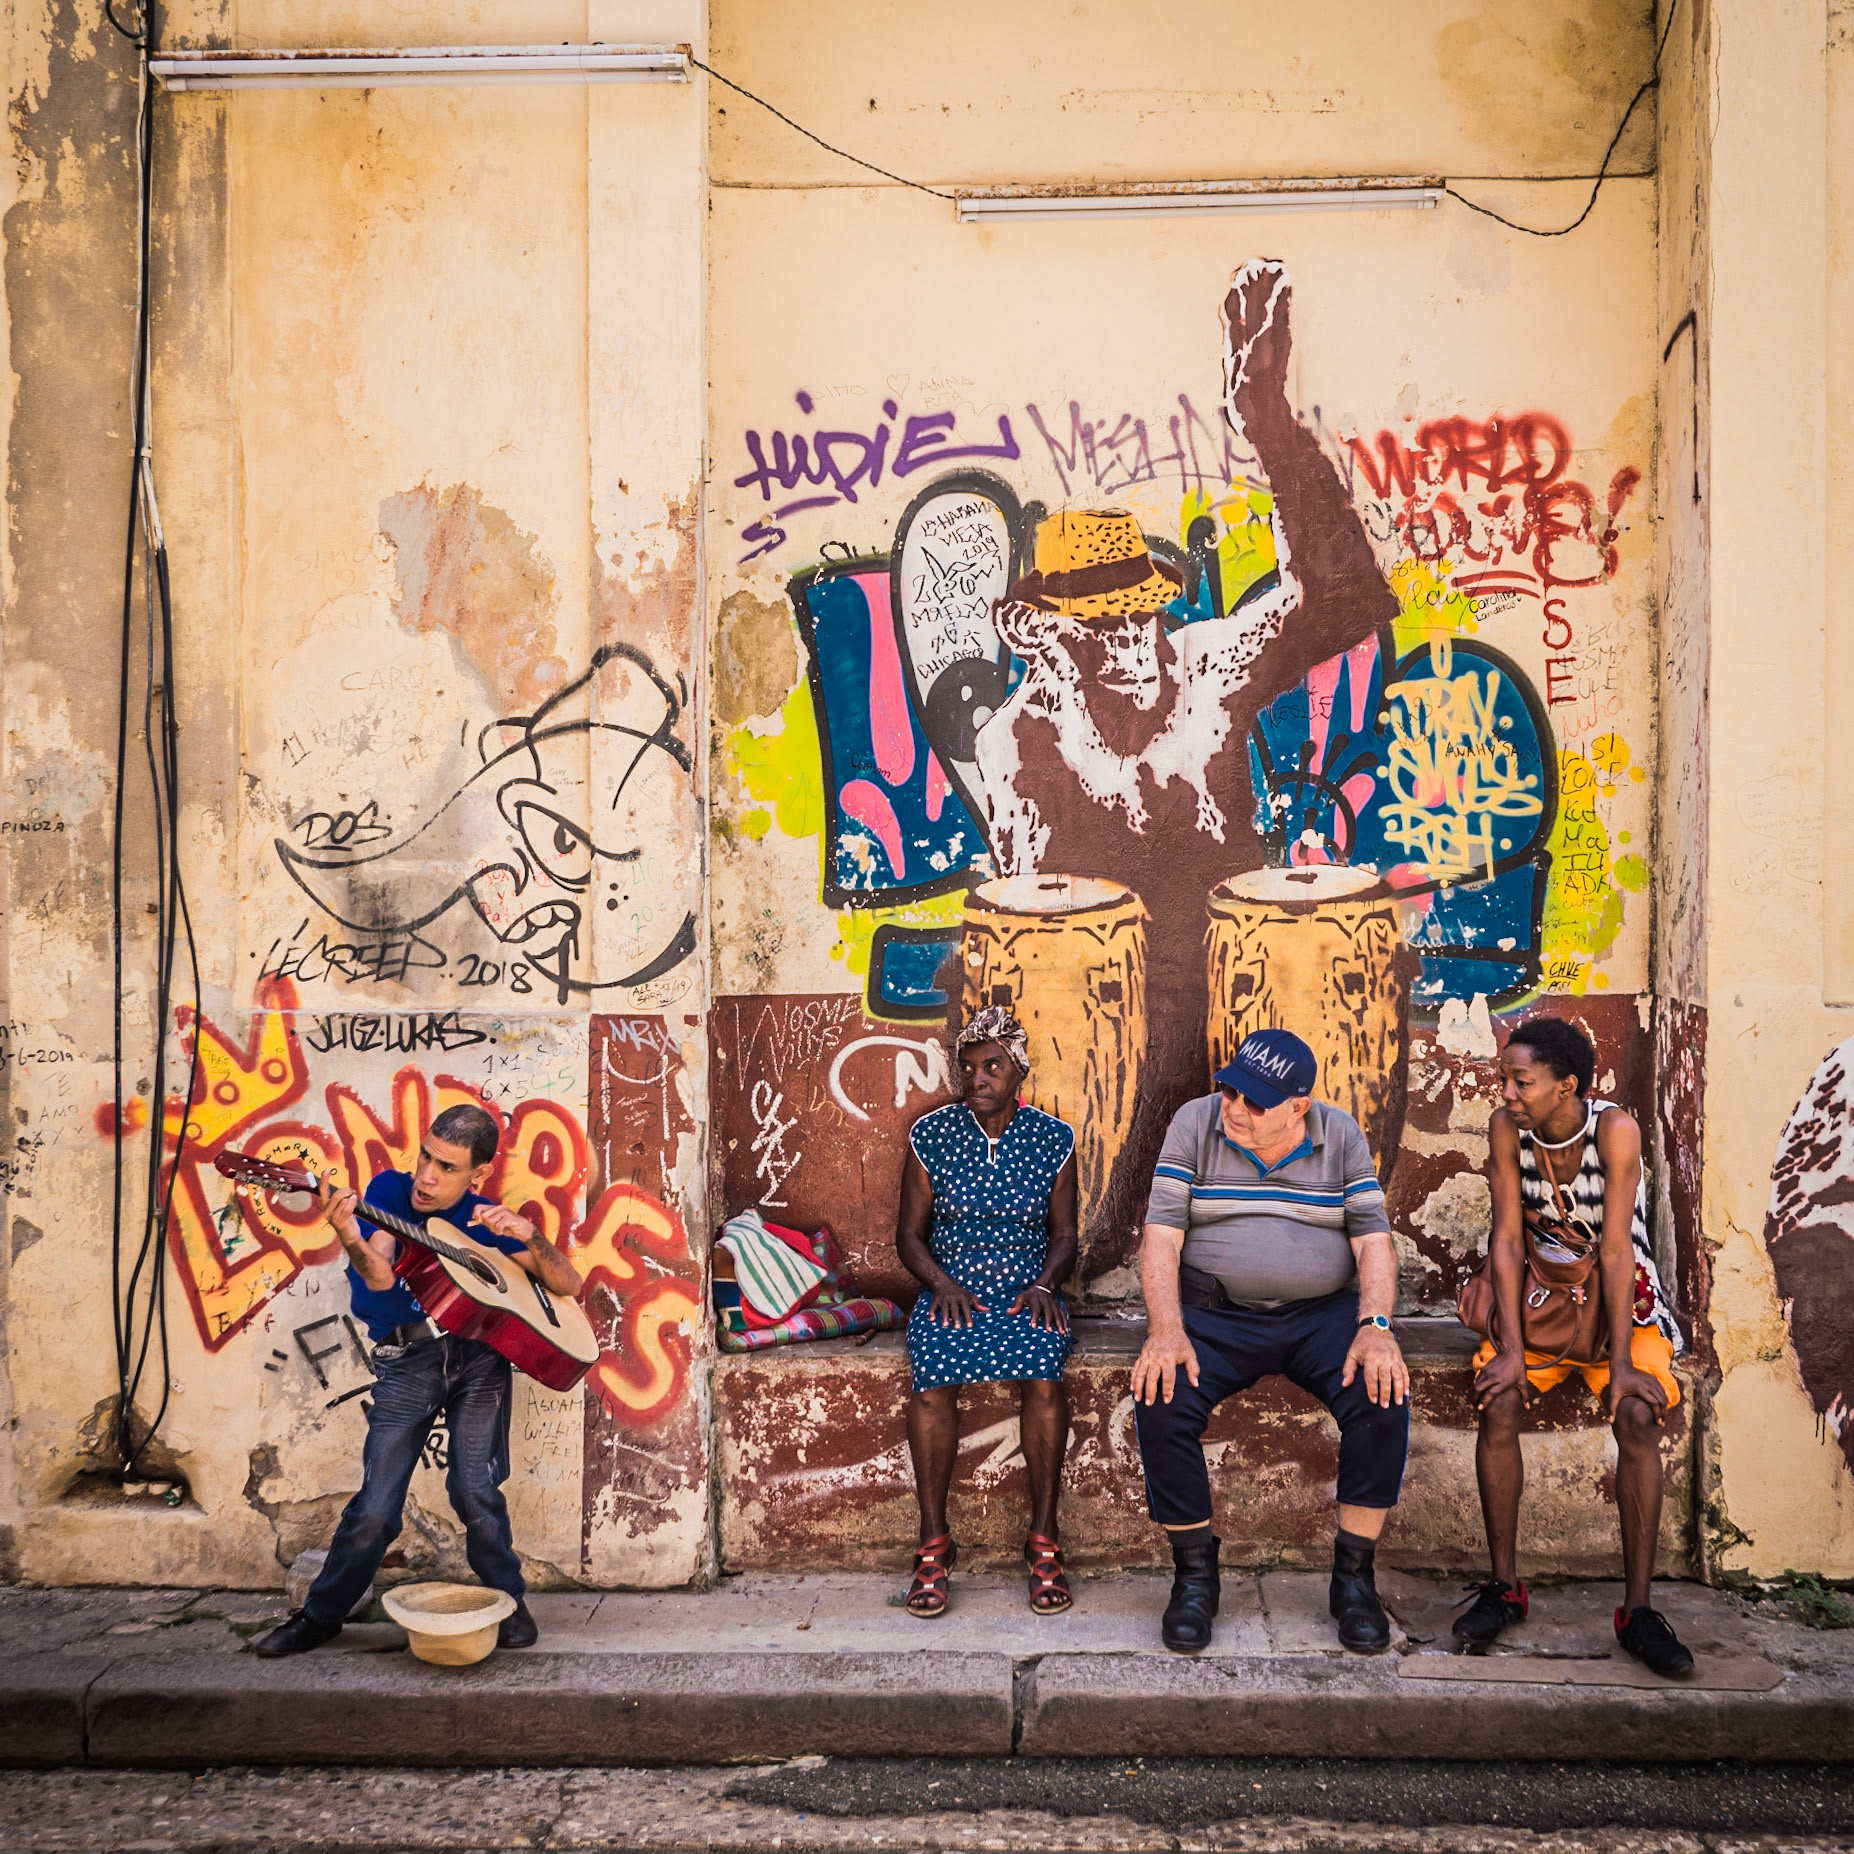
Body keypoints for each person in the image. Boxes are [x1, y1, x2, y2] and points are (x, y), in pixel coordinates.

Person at [253, 1103, 585, 1657]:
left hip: (480, 1360)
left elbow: (567, 1283)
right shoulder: (386, 1193)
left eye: (448, 1167)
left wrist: (532, 1236)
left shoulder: (485, 1219)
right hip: (409, 1360)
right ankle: (321, 1616)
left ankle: (510, 1601)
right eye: (426, 1156)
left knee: (474, 1489)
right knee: (378, 1502)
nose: (427, 1176)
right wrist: (350, 1235)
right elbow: (379, 1275)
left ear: (477, 1175)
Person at [1131, 1028, 1409, 1654]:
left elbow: (1371, 1240)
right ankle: (1195, 1578)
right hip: (1216, 1315)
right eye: (1230, 1089)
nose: (1233, 1106)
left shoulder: (1338, 1133)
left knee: (1381, 1393)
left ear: (1298, 1107)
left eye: (1255, 1102)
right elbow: (1162, 1234)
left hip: (1322, 1316)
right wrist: (1167, 1329)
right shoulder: (1193, 1123)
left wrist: (1375, 1327)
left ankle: (1354, 1581)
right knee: (1161, 1395)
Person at [1457, 1017, 1692, 1675]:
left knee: (1638, 1415)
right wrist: (1507, 1348)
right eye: (1504, 1077)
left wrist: (1620, 1365)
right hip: (1544, 1304)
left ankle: (1638, 1613)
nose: (1506, 1090)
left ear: (1566, 1086)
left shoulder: (1615, 1131)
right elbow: (1507, 1239)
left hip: (1622, 1305)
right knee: (1498, 1401)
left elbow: (1617, 1251)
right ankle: (1505, 1588)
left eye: (1520, 1080)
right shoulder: (1509, 1130)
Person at [897, 1005, 1080, 1617]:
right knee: (931, 1378)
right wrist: (941, 1284)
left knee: (1044, 1371)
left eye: (991, 1066)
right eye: (968, 1067)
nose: (976, 1078)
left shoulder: (1054, 1139)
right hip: (953, 1287)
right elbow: (909, 1237)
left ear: (1018, 1073)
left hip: (1030, 1288)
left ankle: (1044, 1541)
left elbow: (1064, 1237)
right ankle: (933, 1544)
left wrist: (1048, 1286)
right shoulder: (933, 1134)